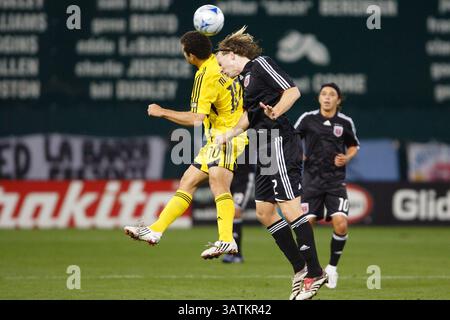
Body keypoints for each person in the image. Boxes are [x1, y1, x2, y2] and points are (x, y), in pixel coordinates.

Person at [215, 27, 327, 300]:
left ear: (232, 54)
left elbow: (292, 91)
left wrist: (277, 110)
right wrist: (228, 135)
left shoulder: (261, 64)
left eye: (220, 64)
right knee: (264, 213)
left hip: (278, 141)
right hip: (263, 147)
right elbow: (248, 117)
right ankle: (300, 268)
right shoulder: (243, 81)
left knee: (289, 208)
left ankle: (315, 272)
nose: (220, 70)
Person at [124, 31, 247, 260]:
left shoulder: (205, 75)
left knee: (218, 184)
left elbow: (196, 119)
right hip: (221, 135)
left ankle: (227, 240)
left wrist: (161, 112)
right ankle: (156, 230)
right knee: (188, 181)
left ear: (190, 56)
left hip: (228, 136)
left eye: (184, 51)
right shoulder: (218, 62)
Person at [294, 82, 360, 289]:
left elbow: (353, 145)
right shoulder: (307, 118)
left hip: (335, 181)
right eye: (324, 94)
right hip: (311, 181)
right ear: (319, 98)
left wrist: (347, 157)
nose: (327, 97)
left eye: (332, 94)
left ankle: (332, 268)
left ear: (338, 100)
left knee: (341, 224)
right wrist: (298, 153)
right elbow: (293, 138)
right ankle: (312, 270)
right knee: (305, 226)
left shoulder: (345, 121)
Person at [222, 145, 256, 264]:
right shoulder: (226, 132)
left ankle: (236, 254)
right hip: (228, 176)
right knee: (226, 212)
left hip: (244, 178)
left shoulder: (247, 131)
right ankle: (230, 250)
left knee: (235, 211)